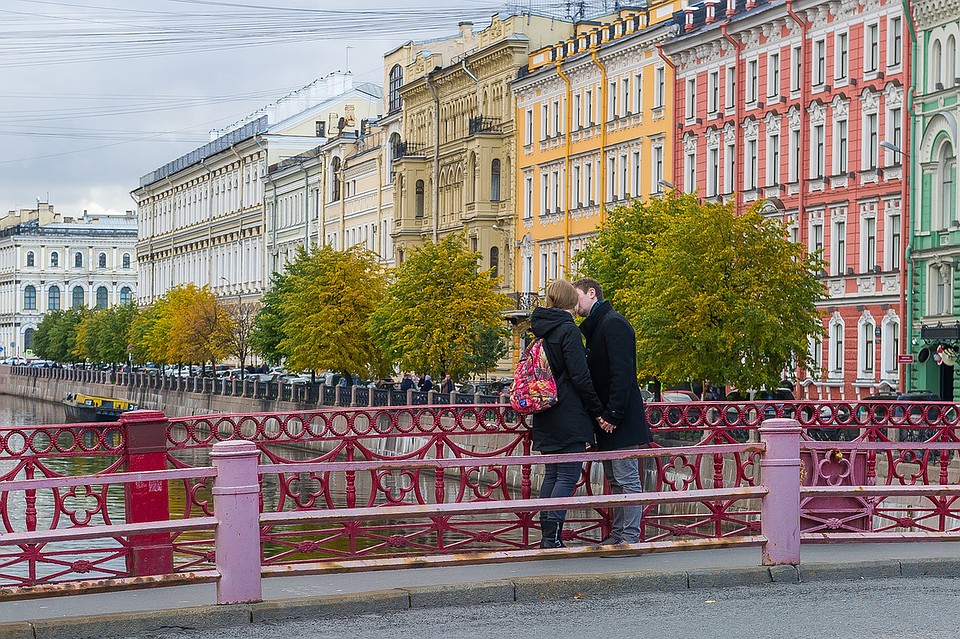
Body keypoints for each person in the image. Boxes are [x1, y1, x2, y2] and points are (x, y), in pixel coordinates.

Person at [573, 277, 652, 548]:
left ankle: (629, 538)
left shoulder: (613, 323)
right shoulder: (601, 325)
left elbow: (623, 374)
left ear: (592, 293)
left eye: (578, 297)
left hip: (619, 420)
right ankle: (619, 535)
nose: (575, 304)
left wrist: (612, 414)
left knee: (626, 480)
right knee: (616, 481)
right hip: (609, 419)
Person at [530, 279, 604, 549]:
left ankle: (547, 536)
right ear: (571, 301)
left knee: (552, 475)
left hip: (545, 413)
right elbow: (580, 376)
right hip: (568, 415)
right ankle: (553, 537)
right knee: (567, 476)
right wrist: (597, 410)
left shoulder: (540, 329)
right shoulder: (567, 330)